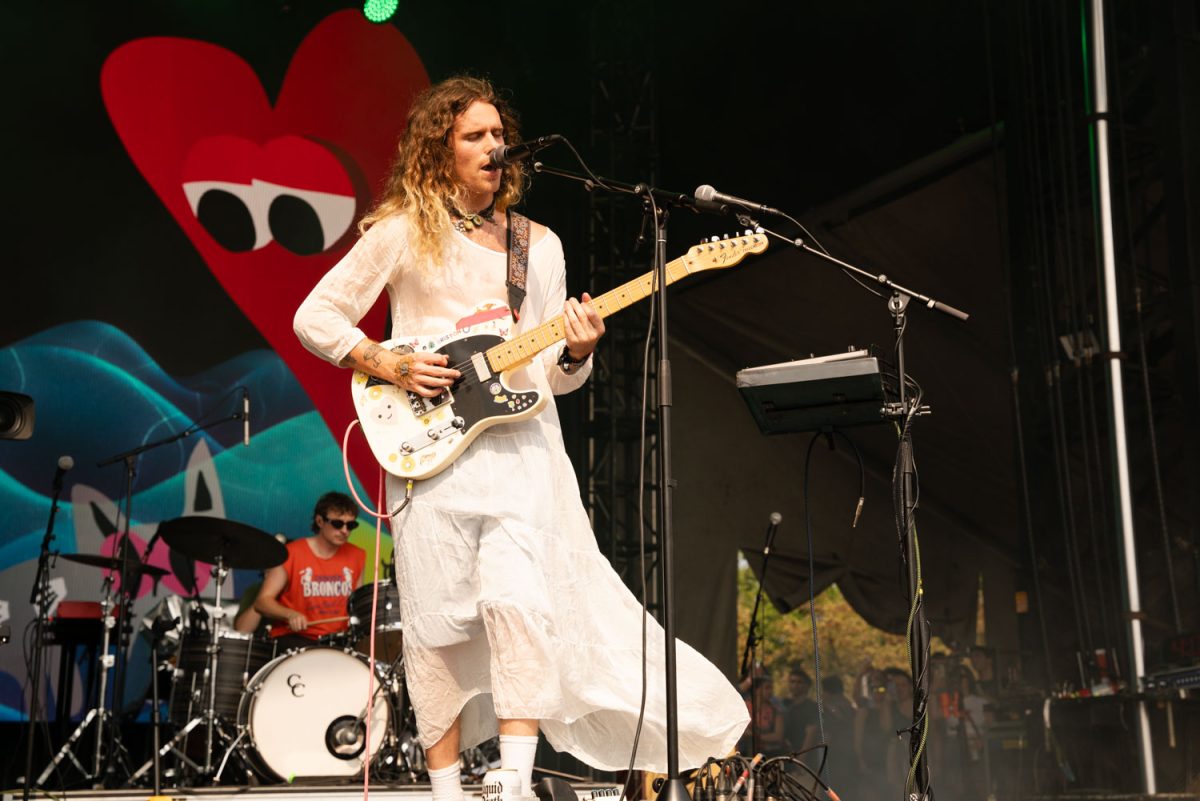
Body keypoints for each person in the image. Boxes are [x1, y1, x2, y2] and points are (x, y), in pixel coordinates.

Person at [293, 75, 747, 801]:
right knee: (438, 627)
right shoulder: (403, 231)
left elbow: (549, 377)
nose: (492, 147)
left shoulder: (538, 245)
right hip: (430, 454)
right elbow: (316, 318)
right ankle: (445, 788)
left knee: (520, 601)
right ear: (437, 149)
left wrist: (577, 350)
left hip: (521, 454)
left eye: (498, 135)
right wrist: (390, 361)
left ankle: (513, 775)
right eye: (473, 135)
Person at [254, 492, 365, 651]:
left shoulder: (357, 555)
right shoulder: (291, 553)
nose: (345, 531)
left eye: (351, 525)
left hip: (339, 642)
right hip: (296, 640)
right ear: (320, 521)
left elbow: (357, 604)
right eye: (337, 524)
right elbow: (262, 602)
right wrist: (289, 614)